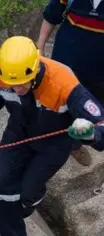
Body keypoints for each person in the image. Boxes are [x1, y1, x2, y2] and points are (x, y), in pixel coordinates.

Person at [0, 36, 104, 236]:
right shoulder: (1, 79)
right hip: (18, 134)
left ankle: (68, 154)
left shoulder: (63, 82)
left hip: (54, 142)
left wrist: (91, 134)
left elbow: (100, 122)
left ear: (35, 70)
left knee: (27, 196)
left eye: (21, 85)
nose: (16, 90)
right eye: (12, 85)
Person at [37, 0, 104, 166]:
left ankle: (91, 140)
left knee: (97, 111)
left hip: (100, 68)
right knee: (60, 104)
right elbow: (51, 16)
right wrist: (40, 48)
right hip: (66, 58)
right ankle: (73, 145)